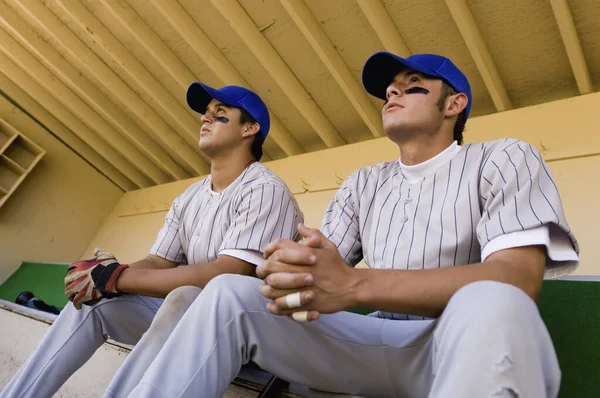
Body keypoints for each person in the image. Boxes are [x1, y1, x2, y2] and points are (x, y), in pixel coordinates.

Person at [106, 53, 579, 398]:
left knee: (496, 300)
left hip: (457, 342)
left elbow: (517, 279)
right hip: (373, 342)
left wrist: (352, 284)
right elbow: (321, 272)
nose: (392, 92)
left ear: (454, 104)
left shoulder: (503, 156)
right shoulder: (363, 182)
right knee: (228, 292)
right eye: (389, 88)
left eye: (412, 85)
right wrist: (292, 272)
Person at [1, 83, 303, 398]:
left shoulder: (265, 189)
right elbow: (158, 262)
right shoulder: (191, 196)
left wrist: (119, 277)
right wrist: (106, 275)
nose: (205, 118)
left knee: (183, 297)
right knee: (95, 301)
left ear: (250, 128)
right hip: (192, 326)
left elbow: (226, 274)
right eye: (205, 113)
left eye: (220, 114)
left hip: (258, 335)